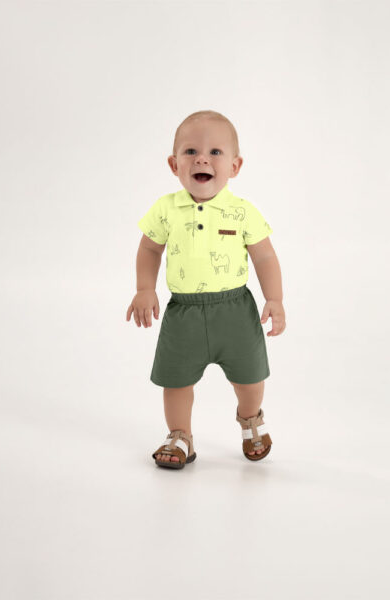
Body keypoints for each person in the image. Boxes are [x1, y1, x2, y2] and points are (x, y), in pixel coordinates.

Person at [126, 110, 286, 469]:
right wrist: (144, 288)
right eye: (190, 152)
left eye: (215, 152)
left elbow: (264, 256)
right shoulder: (166, 209)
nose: (202, 159)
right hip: (183, 312)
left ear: (235, 166)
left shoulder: (243, 212)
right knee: (176, 382)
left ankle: (251, 420)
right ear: (174, 164)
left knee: (251, 378)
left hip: (235, 312)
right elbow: (149, 249)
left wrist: (274, 299)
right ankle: (179, 435)